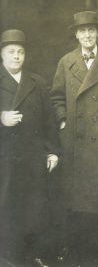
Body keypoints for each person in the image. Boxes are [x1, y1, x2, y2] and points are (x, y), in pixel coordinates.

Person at [50, 10, 98, 265]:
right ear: (75, 34)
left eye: (91, 30)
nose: (87, 34)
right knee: (74, 199)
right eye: (82, 30)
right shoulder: (65, 62)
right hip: (74, 140)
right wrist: (63, 120)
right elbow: (57, 97)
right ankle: (77, 250)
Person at [0, 29, 60, 266]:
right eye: (11, 52)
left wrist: (54, 150)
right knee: (7, 207)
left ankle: (30, 256)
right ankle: (8, 257)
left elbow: (49, 121)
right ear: (2, 56)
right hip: (5, 161)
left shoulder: (37, 82)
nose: (17, 56)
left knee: (34, 209)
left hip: (33, 158)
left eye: (21, 52)